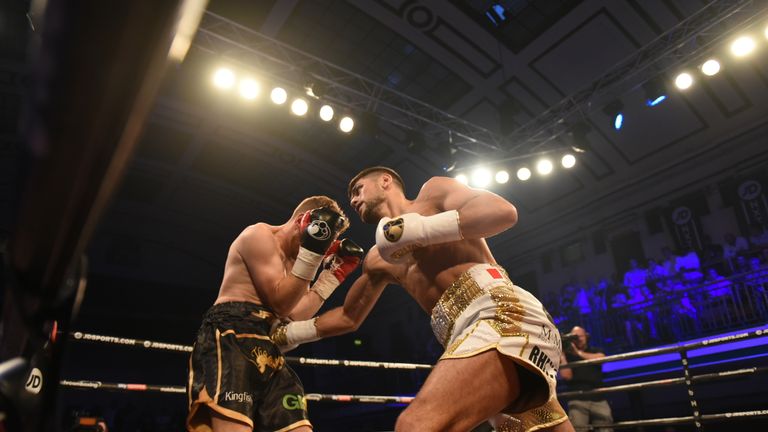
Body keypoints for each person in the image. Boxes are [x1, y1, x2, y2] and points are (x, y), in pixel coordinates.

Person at [271, 167, 574, 432]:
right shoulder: (378, 259)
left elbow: (503, 212)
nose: (353, 199)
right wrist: (290, 333)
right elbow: (349, 317)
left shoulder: (433, 195)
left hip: (501, 316)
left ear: (386, 181)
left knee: (415, 425)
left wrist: (422, 230)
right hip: (473, 339)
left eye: (358, 189)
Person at [186, 196, 363, 432]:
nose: (318, 252)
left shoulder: (299, 261)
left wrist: (330, 278)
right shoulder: (258, 235)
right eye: (320, 240)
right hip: (231, 334)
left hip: (268, 345)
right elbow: (281, 303)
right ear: (304, 222)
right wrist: (311, 254)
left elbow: (295, 315)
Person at [558, 326, 613, 432]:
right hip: (577, 399)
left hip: (598, 398)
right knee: (578, 429)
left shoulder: (594, 350)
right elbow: (566, 376)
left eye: (580, 336)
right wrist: (562, 355)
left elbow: (602, 358)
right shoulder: (567, 356)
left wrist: (578, 353)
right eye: (575, 337)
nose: (578, 339)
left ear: (586, 336)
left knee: (606, 428)